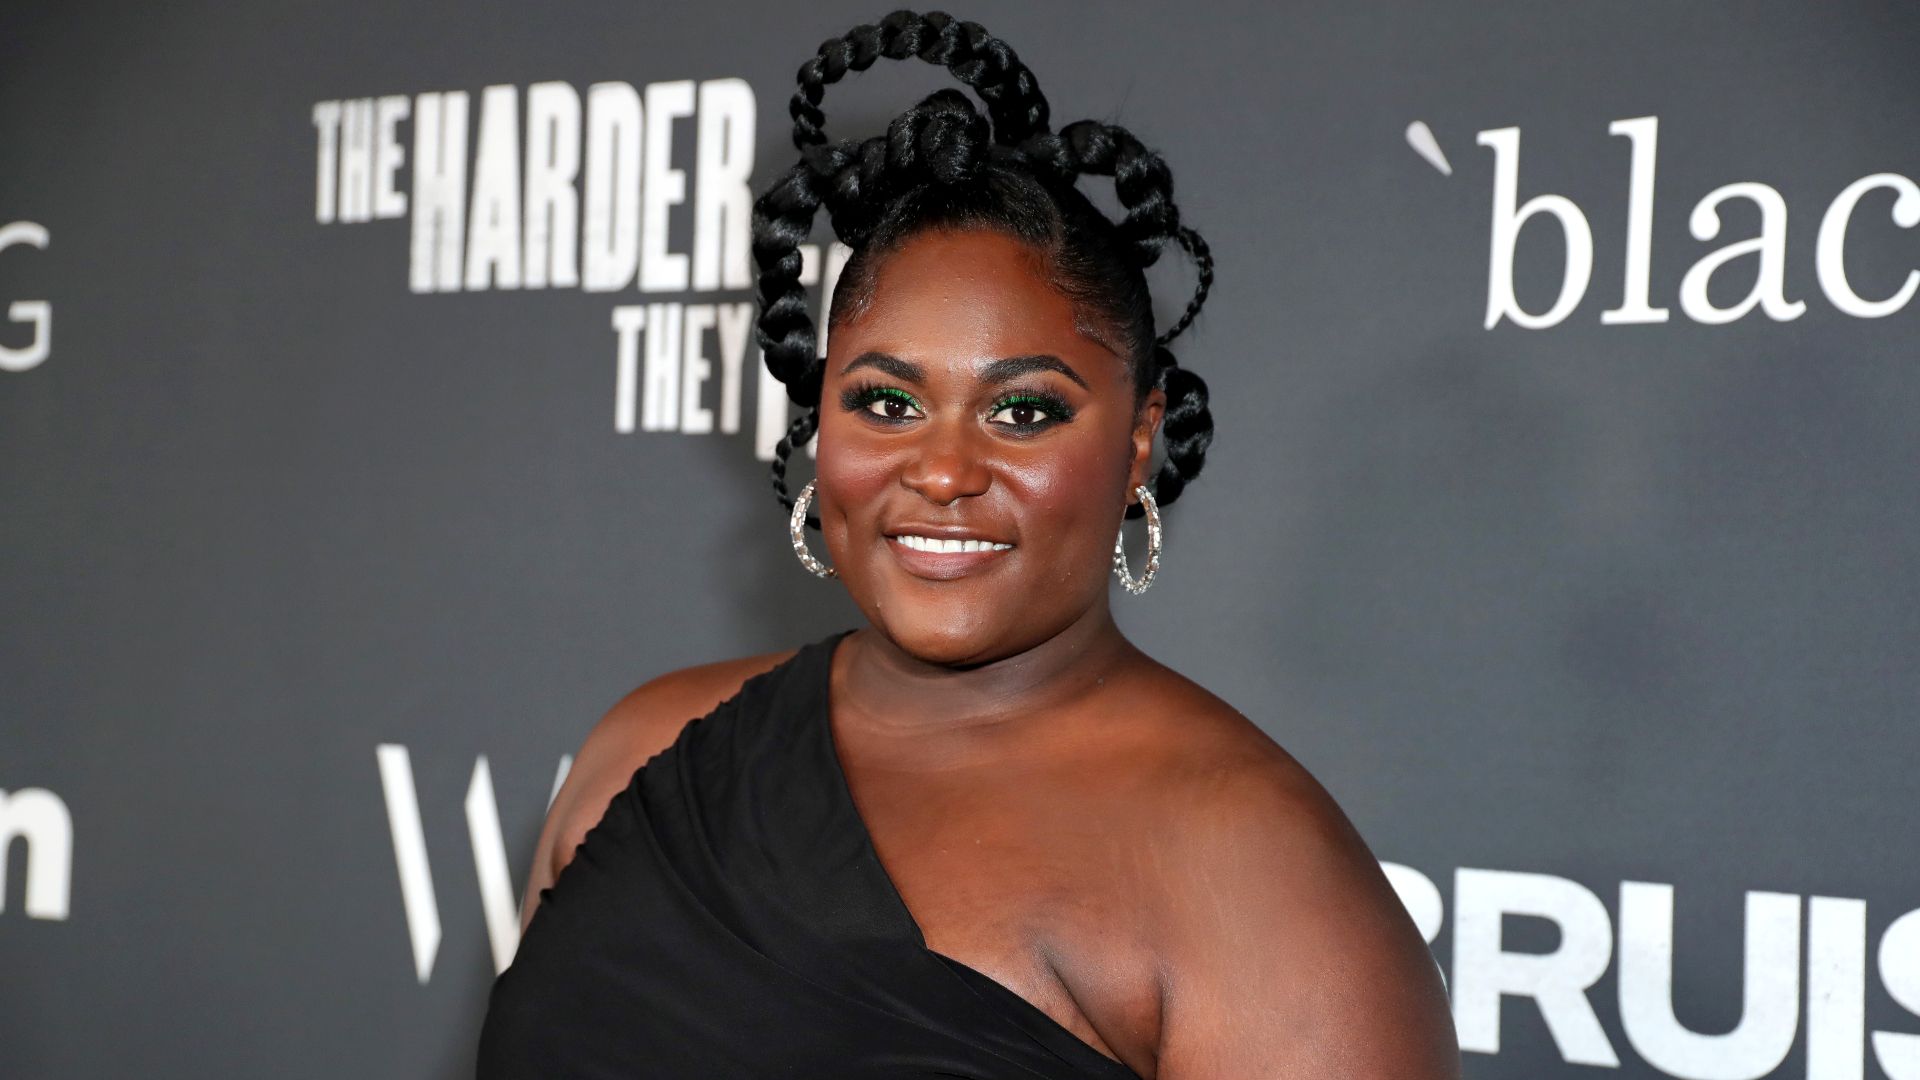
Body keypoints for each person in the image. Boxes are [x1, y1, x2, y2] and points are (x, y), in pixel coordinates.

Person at [477, 10, 1459, 1078]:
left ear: (1139, 439)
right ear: (819, 422)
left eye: (1023, 411)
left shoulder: (1260, 880)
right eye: (887, 403)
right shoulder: (647, 749)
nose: (942, 473)